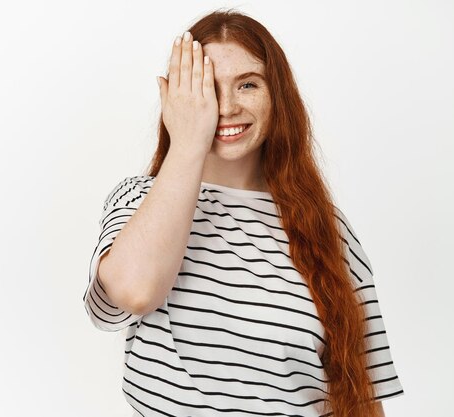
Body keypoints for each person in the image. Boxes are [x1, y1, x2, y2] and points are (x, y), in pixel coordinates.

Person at [82, 8, 403, 417]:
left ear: (278, 95)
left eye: (248, 84)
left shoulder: (329, 228)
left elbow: (360, 396)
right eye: (207, 89)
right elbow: (133, 292)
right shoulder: (139, 199)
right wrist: (186, 142)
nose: (227, 107)